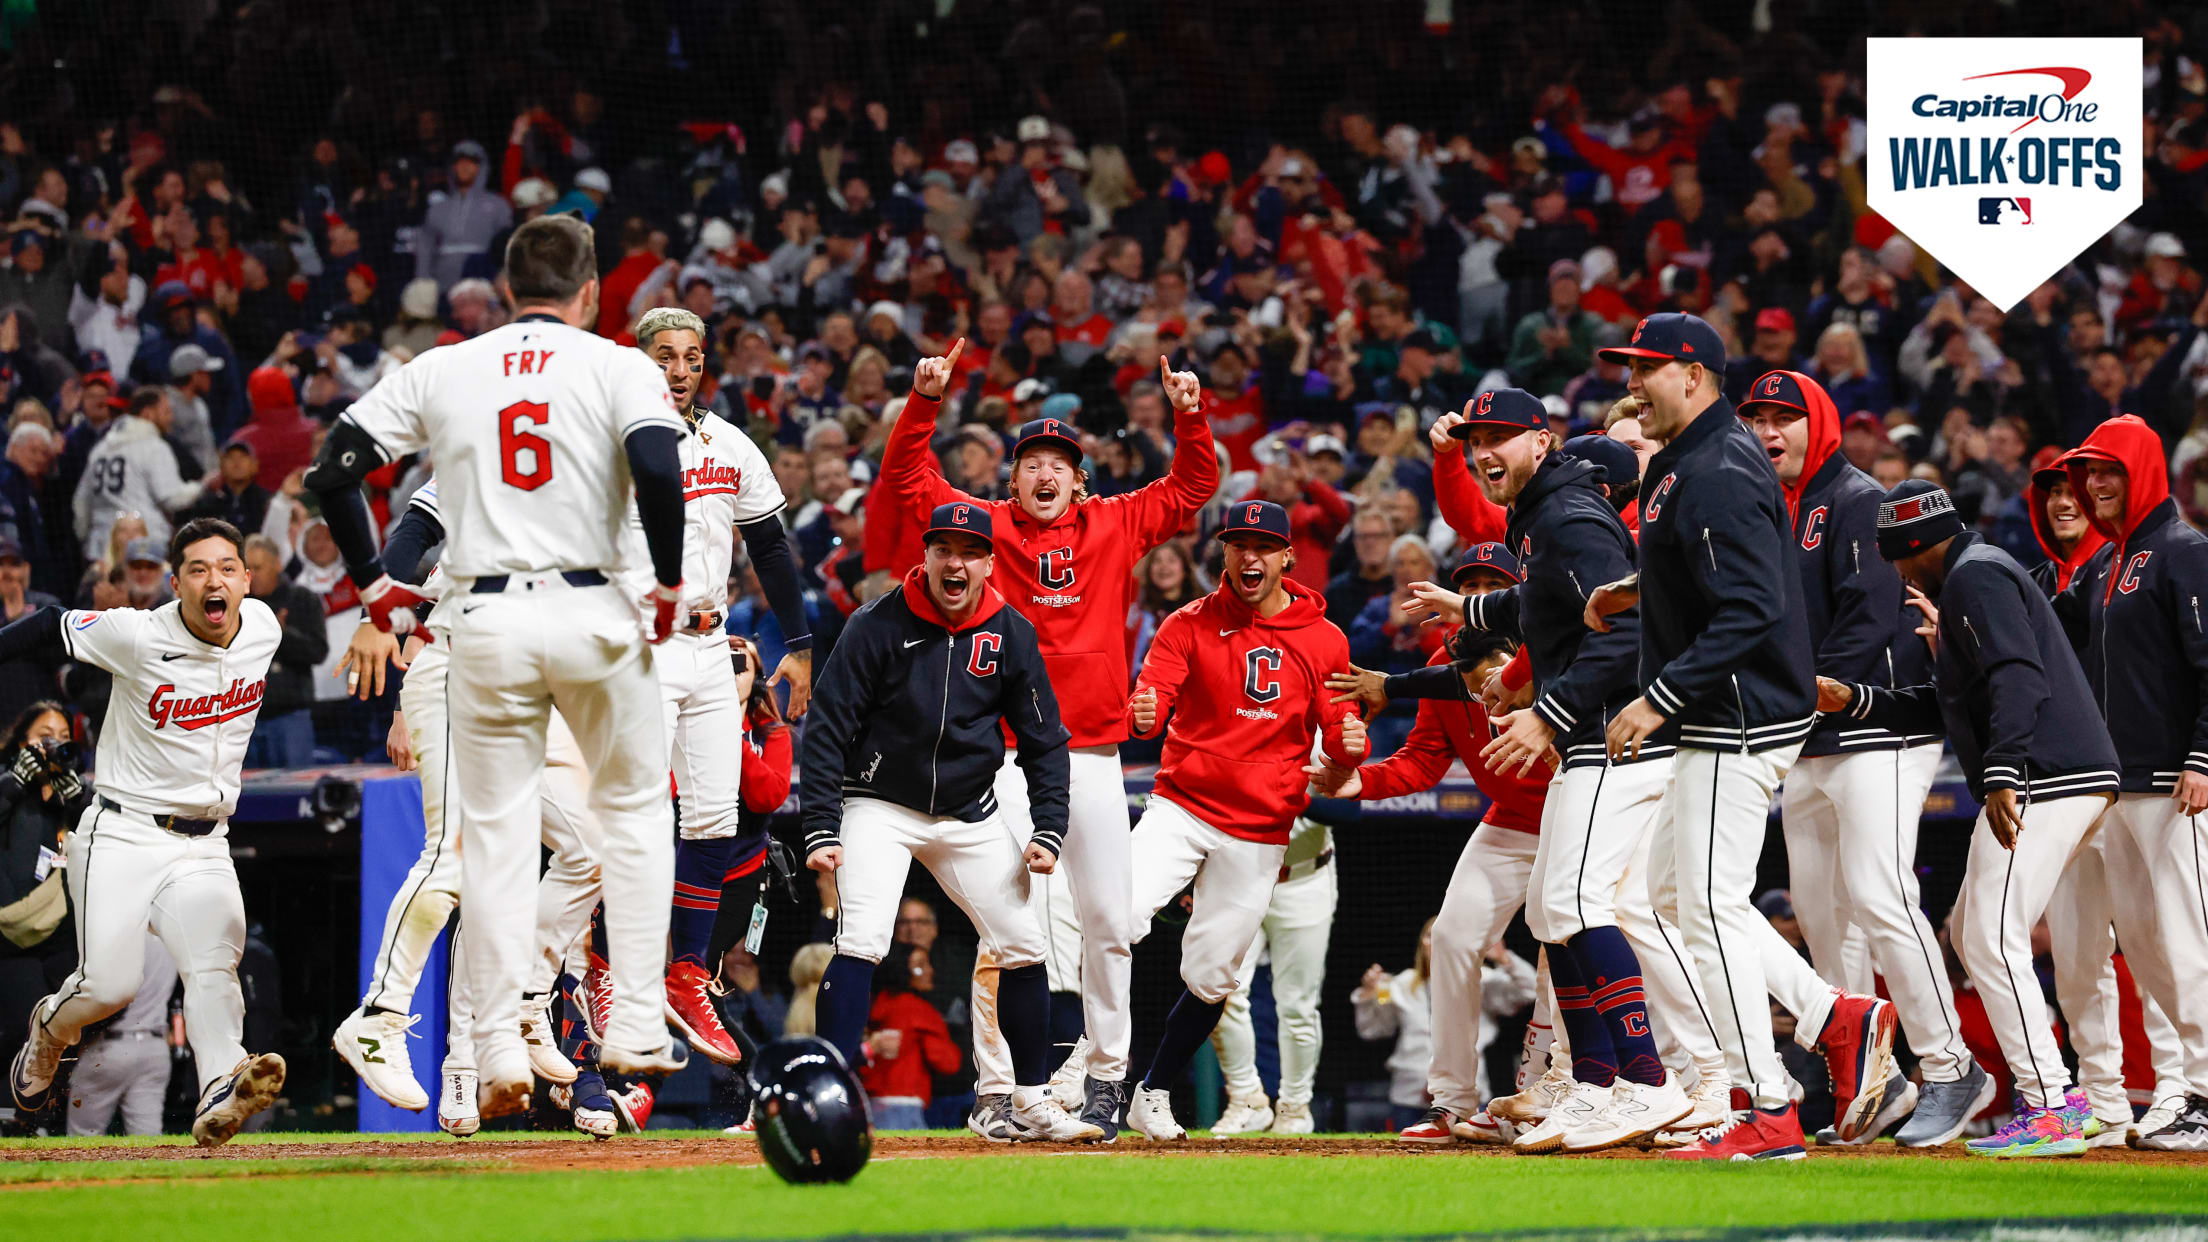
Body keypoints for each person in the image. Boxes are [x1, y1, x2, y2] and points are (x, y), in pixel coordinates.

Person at [307, 214, 691, 1118]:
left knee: (502, 838)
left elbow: (334, 472)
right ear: (593, 289)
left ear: (505, 285)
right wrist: (671, 582)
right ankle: (633, 1021)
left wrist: (372, 589)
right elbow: (659, 470)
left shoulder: (451, 368)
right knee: (633, 812)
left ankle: (496, 1045)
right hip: (590, 611)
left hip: (481, 621)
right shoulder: (616, 367)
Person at [882, 342, 1217, 1141]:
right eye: (1031, 460)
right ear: (1013, 478)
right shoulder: (986, 532)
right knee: (1008, 931)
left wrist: (1190, 413)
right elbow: (907, 484)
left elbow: (1195, 486)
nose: (1044, 472)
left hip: (1093, 757)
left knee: (1108, 923)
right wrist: (924, 402)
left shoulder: (1116, 521)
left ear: (1079, 478)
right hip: (1003, 759)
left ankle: (1106, 1079)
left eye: (1058, 463)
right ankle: (1000, 1089)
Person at [1594, 313, 1894, 1161]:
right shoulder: (1695, 460)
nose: (1632, 384)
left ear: (1692, 374)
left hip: (1738, 711)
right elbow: (1705, 570)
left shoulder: (1718, 464)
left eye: (1646, 369)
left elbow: (1755, 604)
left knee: (1712, 907)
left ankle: (1767, 1102)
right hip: (1725, 707)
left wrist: (1657, 695)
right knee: (1666, 896)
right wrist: (1631, 590)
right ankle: (1837, 1015)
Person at [1440, 388, 1714, 1154]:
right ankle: (1596, 1083)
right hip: (1593, 738)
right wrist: (1474, 618)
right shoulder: (1543, 518)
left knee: (1575, 901)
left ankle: (1648, 1081)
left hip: (1616, 737)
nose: (1483, 452)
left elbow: (1627, 632)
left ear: (1542, 440)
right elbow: (1548, 608)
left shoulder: (1569, 517)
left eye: (1499, 437)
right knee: (1552, 910)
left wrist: (1548, 712)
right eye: (1474, 440)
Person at [1820, 479, 2120, 1159]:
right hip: (2056, 772)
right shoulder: (1974, 577)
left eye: (1897, 556)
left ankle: (2052, 1104)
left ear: (1919, 545)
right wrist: (1859, 701)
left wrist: (2006, 771)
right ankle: (2060, 1098)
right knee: (1972, 931)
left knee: (1989, 935)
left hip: (2047, 774)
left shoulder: (1975, 579)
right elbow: (1951, 701)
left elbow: (2020, 678)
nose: (1894, 569)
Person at [1737, 369, 1987, 1148]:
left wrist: (1801, 695)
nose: (1770, 431)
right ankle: (1875, 1082)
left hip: (1880, 727)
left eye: (1786, 417)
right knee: (1821, 916)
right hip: (1809, 738)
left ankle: (1952, 1067)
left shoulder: (1854, 499)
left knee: (1882, 897)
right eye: (1758, 419)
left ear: (1820, 422)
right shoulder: (1776, 507)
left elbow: (1871, 618)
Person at [798, 501, 1099, 1142]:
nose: (955, 562)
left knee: (1024, 946)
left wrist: (1048, 828)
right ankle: (831, 1094)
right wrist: (821, 825)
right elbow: (826, 727)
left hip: (970, 811)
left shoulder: (1012, 631)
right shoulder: (876, 623)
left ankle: (1027, 1100)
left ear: (989, 563)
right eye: (944, 549)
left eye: (969, 551)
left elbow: (1046, 740)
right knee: (861, 943)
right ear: (926, 555)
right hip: (879, 803)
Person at [3, 518, 288, 1147]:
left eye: (226, 568)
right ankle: (48, 1034)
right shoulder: (137, 632)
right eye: (197, 569)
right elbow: (49, 623)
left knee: (216, 965)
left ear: (245, 577)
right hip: (124, 833)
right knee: (109, 986)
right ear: (176, 581)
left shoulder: (262, 626)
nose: (214, 580)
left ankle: (220, 1085)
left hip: (205, 842)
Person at [1120, 501, 1366, 1141]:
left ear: (1288, 556)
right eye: (1238, 544)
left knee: (1211, 976)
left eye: (1263, 545)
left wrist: (1350, 746)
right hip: (1182, 805)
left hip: (1260, 830)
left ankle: (1154, 1093)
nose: (1249, 557)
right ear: (1223, 552)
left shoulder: (1325, 637)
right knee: (1114, 918)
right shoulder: (1187, 623)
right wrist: (1143, 714)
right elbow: (1153, 697)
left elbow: (1338, 736)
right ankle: (1083, 1076)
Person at [608, 307, 815, 1069]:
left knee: (713, 820)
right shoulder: (613, 439)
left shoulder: (730, 442)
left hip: (707, 646)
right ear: (641, 361)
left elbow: (768, 542)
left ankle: (687, 972)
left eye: (692, 355)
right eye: (666, 354)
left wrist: (797, 645)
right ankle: (602, 972)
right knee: (630, 814)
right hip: (638, 644)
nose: (682, 367)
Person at [1313, 562, 1557, 1145]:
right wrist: (1361, 783)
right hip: (1507, 824)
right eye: (1465, 587)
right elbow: (1424, 758)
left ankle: (1552, 1092)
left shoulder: (1553, 653)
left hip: (1578, 821)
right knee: (1450, 938)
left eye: (1488, 588)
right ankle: (1451, 1103)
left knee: (1563, 956)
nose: (1472, 600)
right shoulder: (1439, 675)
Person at [2050, 417, 2208, 1152]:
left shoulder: (2184, 551)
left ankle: (2203, 1095)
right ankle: (2191, 1093)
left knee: (2191, 943)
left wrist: (2204, 757)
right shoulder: (2113, 562)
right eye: (2088, 474)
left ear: (2142, 470)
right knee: (2148, 951)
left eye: (2108, 470)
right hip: (2125, 788)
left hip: (2180, 787)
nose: (2095, 485)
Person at [1206, 815, 1339, 1136]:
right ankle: (1246, 1099)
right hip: (1237, 878)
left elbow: (1349, 811)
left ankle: (1295, 1107)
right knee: (1219, 990)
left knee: (1298, 1006)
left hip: (1305, 878)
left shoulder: (1315, 761)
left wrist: (1287, 787)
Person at [0, 700, 84, 1123]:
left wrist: (79, 800)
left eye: (63, 739)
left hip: (62, 936)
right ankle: (10, 1118)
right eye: (44, 737)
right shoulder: (8, 786)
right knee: (18, 1027)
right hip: (11, 936)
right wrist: (15, 782)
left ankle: (40, 1121)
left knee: (62, 1031)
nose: (54, 746)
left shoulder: (69, 796)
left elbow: (104, 839)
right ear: (20, 741)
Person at [73, 388, 204, 559]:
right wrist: (202, 486)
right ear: (148, 413)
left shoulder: (100, 449)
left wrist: (86, 538)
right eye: (165, 411)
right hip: (143, 549)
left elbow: (81, 503)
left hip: (100, 549)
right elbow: (172, 498)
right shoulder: (153, 446)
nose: (170, 418)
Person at [66, 934, 176, 1137]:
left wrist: (85, 1037)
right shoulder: (169, 941)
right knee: (148, 1139)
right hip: (155, 1047)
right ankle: (153, 1169)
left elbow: (109, 999)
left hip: (112, 1044)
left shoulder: (122, 939)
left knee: (83, 1137)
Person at [239, 534, 328, 768]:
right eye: (247, 569)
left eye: (258, 568)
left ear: (277, 564)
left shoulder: (302, 599)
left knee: (294, 791)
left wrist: (281, 634)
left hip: (290, 718)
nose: (252, 576)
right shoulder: (238, 606)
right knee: (246, 798)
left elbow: (318, 651)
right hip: (245, 719)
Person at [859, 941, 961, 1131]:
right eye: (920, 965)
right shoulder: (918, 1010)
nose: (930, 970)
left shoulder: (873, 1004)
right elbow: (947, 1063)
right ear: (902, 970)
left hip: (871, 1103)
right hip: (904, 1105)